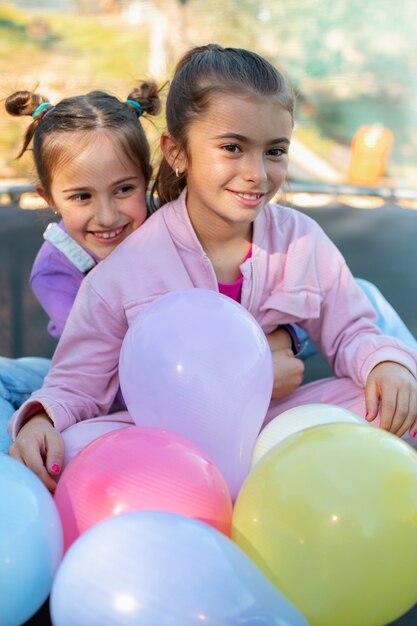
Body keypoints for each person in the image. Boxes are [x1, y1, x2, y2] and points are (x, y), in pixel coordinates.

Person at [8, 44, 417, 492]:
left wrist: (386, 365)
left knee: (394, 402)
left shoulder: (301, 239)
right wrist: (42, 419)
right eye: (232, 148)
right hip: (166, 440)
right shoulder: (122, 273)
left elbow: (352, 330)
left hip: (273, 424)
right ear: (177, 152)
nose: (257, 173)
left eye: (275, 151)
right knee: (70, 447)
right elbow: (78, 382)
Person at [0, 80, 162, 454]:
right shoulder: (56, 268)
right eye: (81, 197)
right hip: (92, 388)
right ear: (49, 197)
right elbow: (91, 368)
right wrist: (44, 417)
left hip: (174, 386)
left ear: (146, 179)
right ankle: (20, 473)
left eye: (124, 189)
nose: (107, 216)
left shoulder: (173, 232)